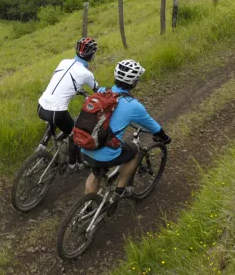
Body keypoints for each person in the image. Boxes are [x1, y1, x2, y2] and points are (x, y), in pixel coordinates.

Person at [81, 59, 171, 200]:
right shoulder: (133, 106)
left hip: (85, 147)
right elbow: (154, 127)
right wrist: (165, 138)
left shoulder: (101, 92)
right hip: (106, 154)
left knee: (95, 172)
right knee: (136, 150)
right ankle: (120, 191)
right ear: (134, 83)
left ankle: (87, 206)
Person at [38, 37, 99, 168]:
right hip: (57, 112)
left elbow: (63, 81)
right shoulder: (87, 74)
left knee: (54, 117)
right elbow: (98, 91)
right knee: (75, 133)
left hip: (41, 105)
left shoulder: (63, 62)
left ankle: (41, 146)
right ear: (91, 55)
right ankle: (73, 164)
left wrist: (76, 89)